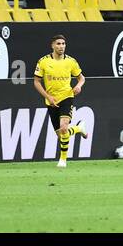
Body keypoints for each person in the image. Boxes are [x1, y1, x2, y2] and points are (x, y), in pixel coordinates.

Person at [33, 35, 88, 168]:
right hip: (51, 100)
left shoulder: (71, 61)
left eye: (63, 44)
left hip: (67, 97)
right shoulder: (43, 61)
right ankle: (79, 128)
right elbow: (36, 82)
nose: (61, 46)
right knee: (61, 134)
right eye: (58, 44)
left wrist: (79, 86)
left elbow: (81, 78)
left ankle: (63, 160)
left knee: (63, 128)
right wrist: (47, 96)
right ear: (52, 45)